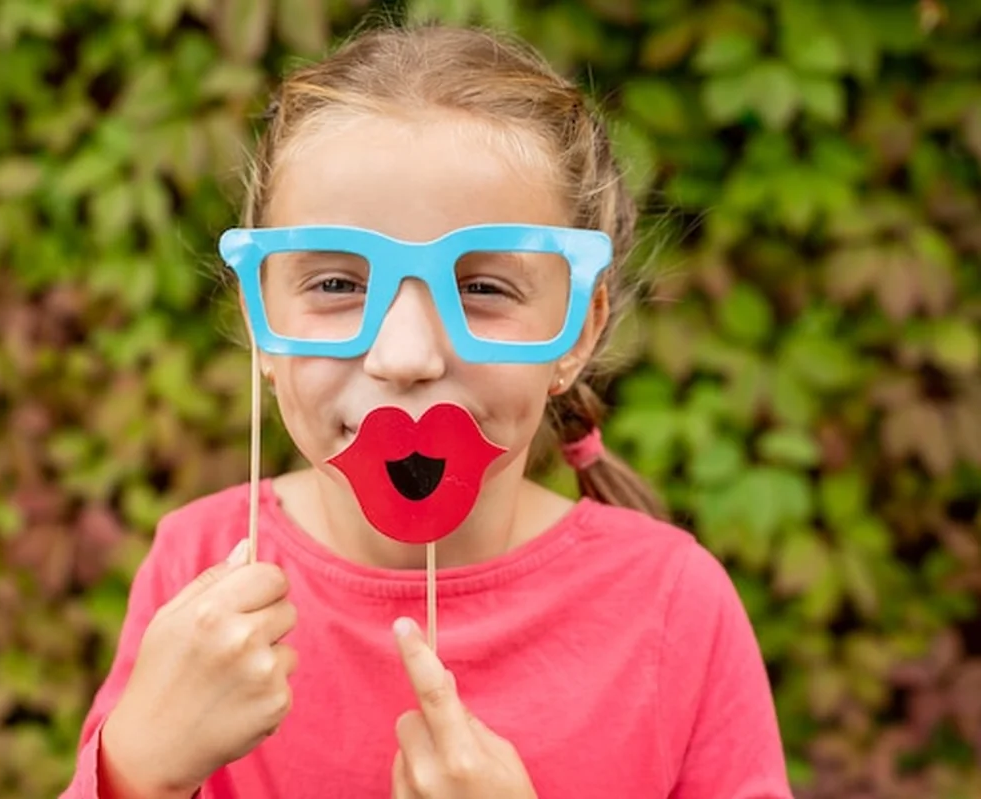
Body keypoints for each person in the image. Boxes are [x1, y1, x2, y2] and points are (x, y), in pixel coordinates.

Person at [59, 23, 793, 799]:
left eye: (482, 287)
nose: (405, 356)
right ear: (258, 320)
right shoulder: (199, 567)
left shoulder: (675, 603)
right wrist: (136, 767)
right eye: (337, 284)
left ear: (576, 329)